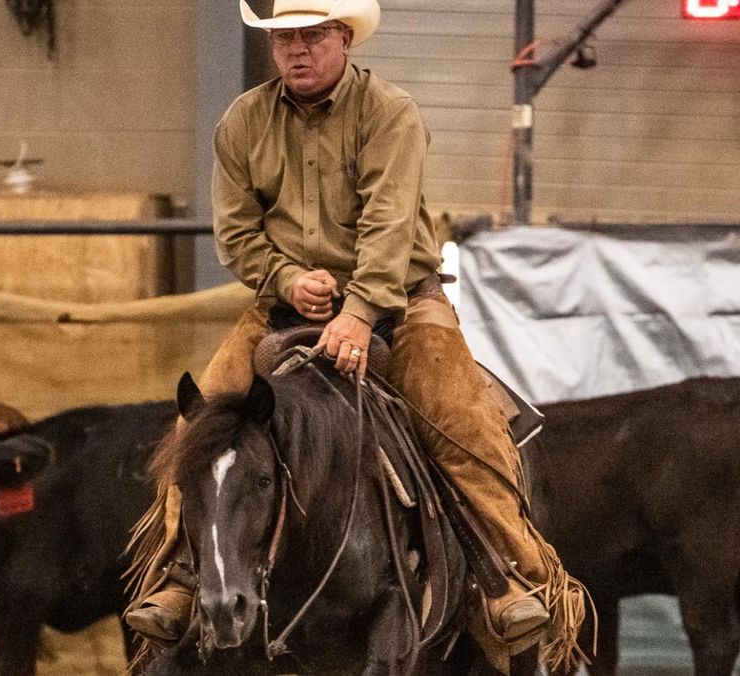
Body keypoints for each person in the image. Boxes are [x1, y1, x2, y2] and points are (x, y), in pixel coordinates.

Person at [124, 0, 586, 669]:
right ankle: (181, 579)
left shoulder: (388, 112)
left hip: (402, 302)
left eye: (312, 36)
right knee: (198, 430)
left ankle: (508, 575)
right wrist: (284, 281)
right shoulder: (242, 122)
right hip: (280, 308)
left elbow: (392, 225)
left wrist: (359, 312)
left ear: (343, 39)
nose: (296, 51)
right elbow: (236, 232)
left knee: (462, 422)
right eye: (285, 38)